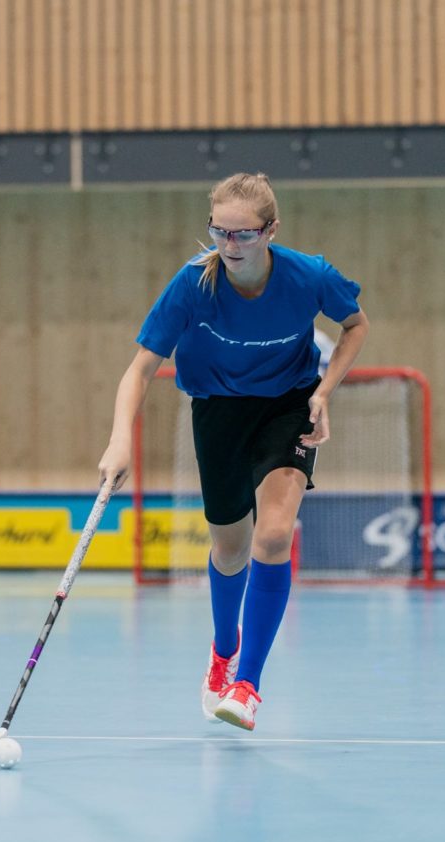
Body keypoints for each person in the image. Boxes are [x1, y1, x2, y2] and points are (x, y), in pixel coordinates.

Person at [97, 172, 370, 731]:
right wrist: (119, 438)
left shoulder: (309, 275)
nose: (229, 246)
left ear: (271, 230)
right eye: (219, 232)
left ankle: (248, 684)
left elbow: (356, 325)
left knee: (272, 536)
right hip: (217, 409)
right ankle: (223, 651)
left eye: (243, 234)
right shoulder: (193, 285)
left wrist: (322, 393)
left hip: (287, 406)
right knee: (230, 549)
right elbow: (140, 369)